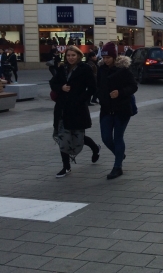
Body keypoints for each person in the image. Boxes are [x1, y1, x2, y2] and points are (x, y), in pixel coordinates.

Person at [49, 45, 99, 178]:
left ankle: (95, 148)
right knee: (63, 137)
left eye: (73, 55)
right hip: (62, 108)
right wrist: (61, 87)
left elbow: (92, 88)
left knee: (77, 136)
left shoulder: (85, 69)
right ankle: (66, 166)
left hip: (77, 108)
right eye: (68, 55)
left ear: (79, 56)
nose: (70, 58)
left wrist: (81, 99)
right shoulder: (62, 68)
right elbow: (52, 83)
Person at [97, 42, 138, 180]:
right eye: (104, 57)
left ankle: (117, 167)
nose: (106, 60)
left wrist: (120, 92)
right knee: (106, 137)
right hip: (106, 109)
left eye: (108, 57)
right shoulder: (101, 69)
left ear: (114, 57)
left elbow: (133, 86)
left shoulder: (124, 70)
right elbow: (97, 85)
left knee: (118, 137)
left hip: (122, 109)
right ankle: (119, 154)